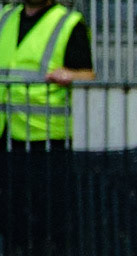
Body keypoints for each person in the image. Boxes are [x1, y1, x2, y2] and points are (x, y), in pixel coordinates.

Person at [0, 0, 93, 151]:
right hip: (4, 133)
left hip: (47, 135)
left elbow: (88, 75)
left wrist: (71, 75)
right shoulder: (5, 17)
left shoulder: (68, 22)